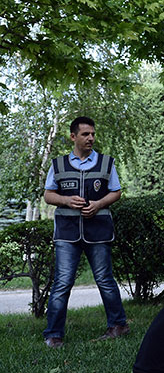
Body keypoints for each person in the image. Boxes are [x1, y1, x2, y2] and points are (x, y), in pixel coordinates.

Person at [43, 116, 129, 348]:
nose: (91, 137)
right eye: (85, 134)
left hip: (99, 232)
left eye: (92, 133)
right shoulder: (58, 165)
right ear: (73, 137)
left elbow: (116, 192)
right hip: (66, 233)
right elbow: (48, 195)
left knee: (104, 280)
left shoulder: (106, 163)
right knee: (62, 283)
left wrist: (98, 204)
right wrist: (66, 200)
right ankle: (53, 334)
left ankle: (118, 325)